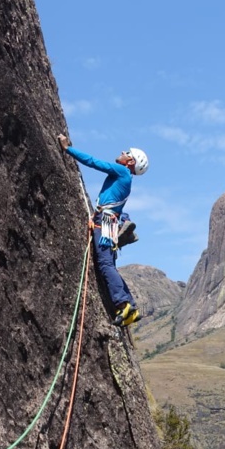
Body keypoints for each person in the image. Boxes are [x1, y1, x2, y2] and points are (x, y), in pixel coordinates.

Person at [57, 133, 149, 327]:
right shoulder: (125, 179)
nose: (122, 152)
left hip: (104, 222)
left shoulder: (122, 172)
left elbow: (95, 162)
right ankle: (130, 306)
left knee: (105, 265)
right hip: (108, 221)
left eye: (126, 152)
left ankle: (124, 304)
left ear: (130, 161)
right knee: (108, 265)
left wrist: (67, 149)